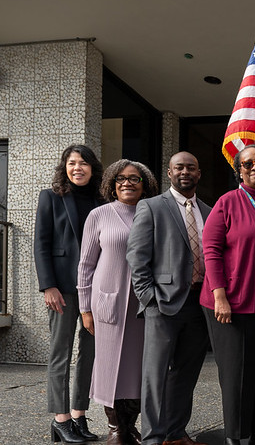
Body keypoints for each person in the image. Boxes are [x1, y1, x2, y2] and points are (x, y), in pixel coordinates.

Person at [200, 145, 255, 445]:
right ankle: (236, 435)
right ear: (239, 169)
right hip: (235, 300)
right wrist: (219, 296)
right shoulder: (227, 202)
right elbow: (211, 251)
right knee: (239, 371)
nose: (254, 167)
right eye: (247, 163)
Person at [126, 151, 211, 445]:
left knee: (186, 373)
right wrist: (148, 298)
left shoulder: (209, 211)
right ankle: (152, 436)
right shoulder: (151, 207)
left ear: (198, 174)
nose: (185, 172)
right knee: (155, 375)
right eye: (179, 167)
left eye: (191, 167)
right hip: (162, 303)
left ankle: (175, 432)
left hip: (199, 304)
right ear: (169, 172)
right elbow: (137, 257)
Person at [77, 159, 159, 444]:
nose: (127, 183)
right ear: (112, 184)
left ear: (144, 184)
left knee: (137, 366)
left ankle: (131, 425)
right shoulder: (99, 215)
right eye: (121, 178)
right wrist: (84, 307)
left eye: (134, 178)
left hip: (143, 304)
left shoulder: (153, 213)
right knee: (108, 365)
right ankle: (115, 428)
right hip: (107, 302)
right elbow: (85, 265)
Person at [34, 144, 104, 443]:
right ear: (65, 167)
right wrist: (47, 285)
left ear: (93, 167)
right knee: (60, 353)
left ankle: (79, 414)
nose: (78, 168)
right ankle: (60, 419)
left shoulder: (102, 199)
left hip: (95, 288)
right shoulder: (50, 197)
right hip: (62, 288)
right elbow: (41, 243)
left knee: (89, 354)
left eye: (84, 163)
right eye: (73, 163)